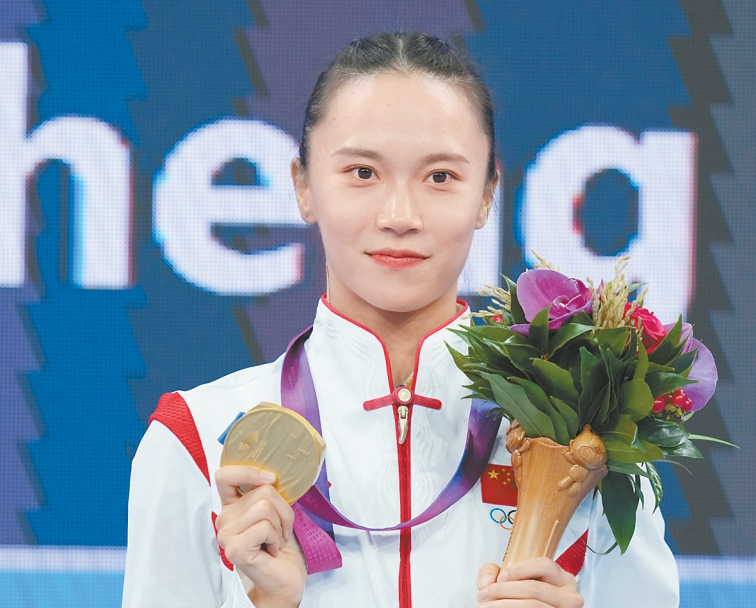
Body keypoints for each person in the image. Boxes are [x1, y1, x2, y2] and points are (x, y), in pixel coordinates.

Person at [123, 32, 679, 608]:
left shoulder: (586, 438)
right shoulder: (196, 440)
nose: (399, 215)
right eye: (362, 172)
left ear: (487, 194)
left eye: (440, 177)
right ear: (303, 186)